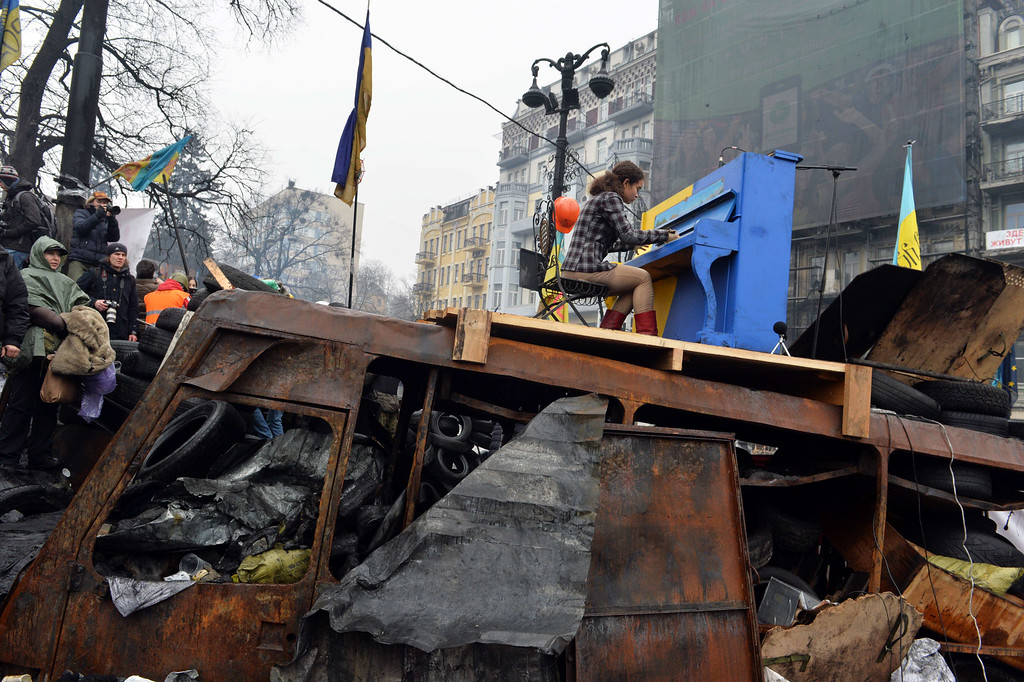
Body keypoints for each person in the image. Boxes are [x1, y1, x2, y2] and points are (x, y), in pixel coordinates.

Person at [0, 237, 90, 469]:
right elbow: (26, 307)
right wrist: (59, 320)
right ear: (39, 254)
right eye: (50, 253)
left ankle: (39, 455)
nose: (54, 258)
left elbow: (79, 306)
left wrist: (71, 320)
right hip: (33, 349)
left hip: (59, 351)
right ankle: (8, 456)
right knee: (21, 403)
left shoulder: (67, 282)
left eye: (58, 254)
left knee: (50, 404)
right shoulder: (26, 276)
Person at [560, 161, 678, 336]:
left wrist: (635, 243)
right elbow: (628, 234)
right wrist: (665, 235)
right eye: (637, 188)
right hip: (583, 270)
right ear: (626, 183)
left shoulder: (600, 199)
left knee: (633, 286)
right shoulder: (611, 198)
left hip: (573, 270)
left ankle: (607, 333)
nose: (637, 195)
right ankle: (648, 339)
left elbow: (610, 242)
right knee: (643, 278)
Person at [77, 243, 139, 342]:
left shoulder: (130, 280)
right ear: (108, 257)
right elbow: (75, 293)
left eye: (123, 255)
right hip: (94, 328)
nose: (120, 258)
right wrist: (94, 302)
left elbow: (133, 308)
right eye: (117, 254)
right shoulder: (94, 273)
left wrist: (133, 331)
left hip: (120, 332)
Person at [0, 165, 46, 269]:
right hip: (10, 247)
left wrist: (8, 232)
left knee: (8, 282)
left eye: (1, 181)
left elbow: (34, 221)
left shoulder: (25, 197)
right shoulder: (12, 197)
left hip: (18, 248)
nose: (0, 184)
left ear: (8, 181)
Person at [69, 190, 120, 281]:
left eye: (104, 203)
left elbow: (114, 238)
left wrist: (112, 219)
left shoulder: (105, 219)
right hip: (80, 259)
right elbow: (81, 229)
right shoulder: (81, 213)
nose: (102, 205)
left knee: (95, 291)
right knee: (75, 289)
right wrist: (97, 215)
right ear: (91, 202)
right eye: (99, 202)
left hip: (98, 263)